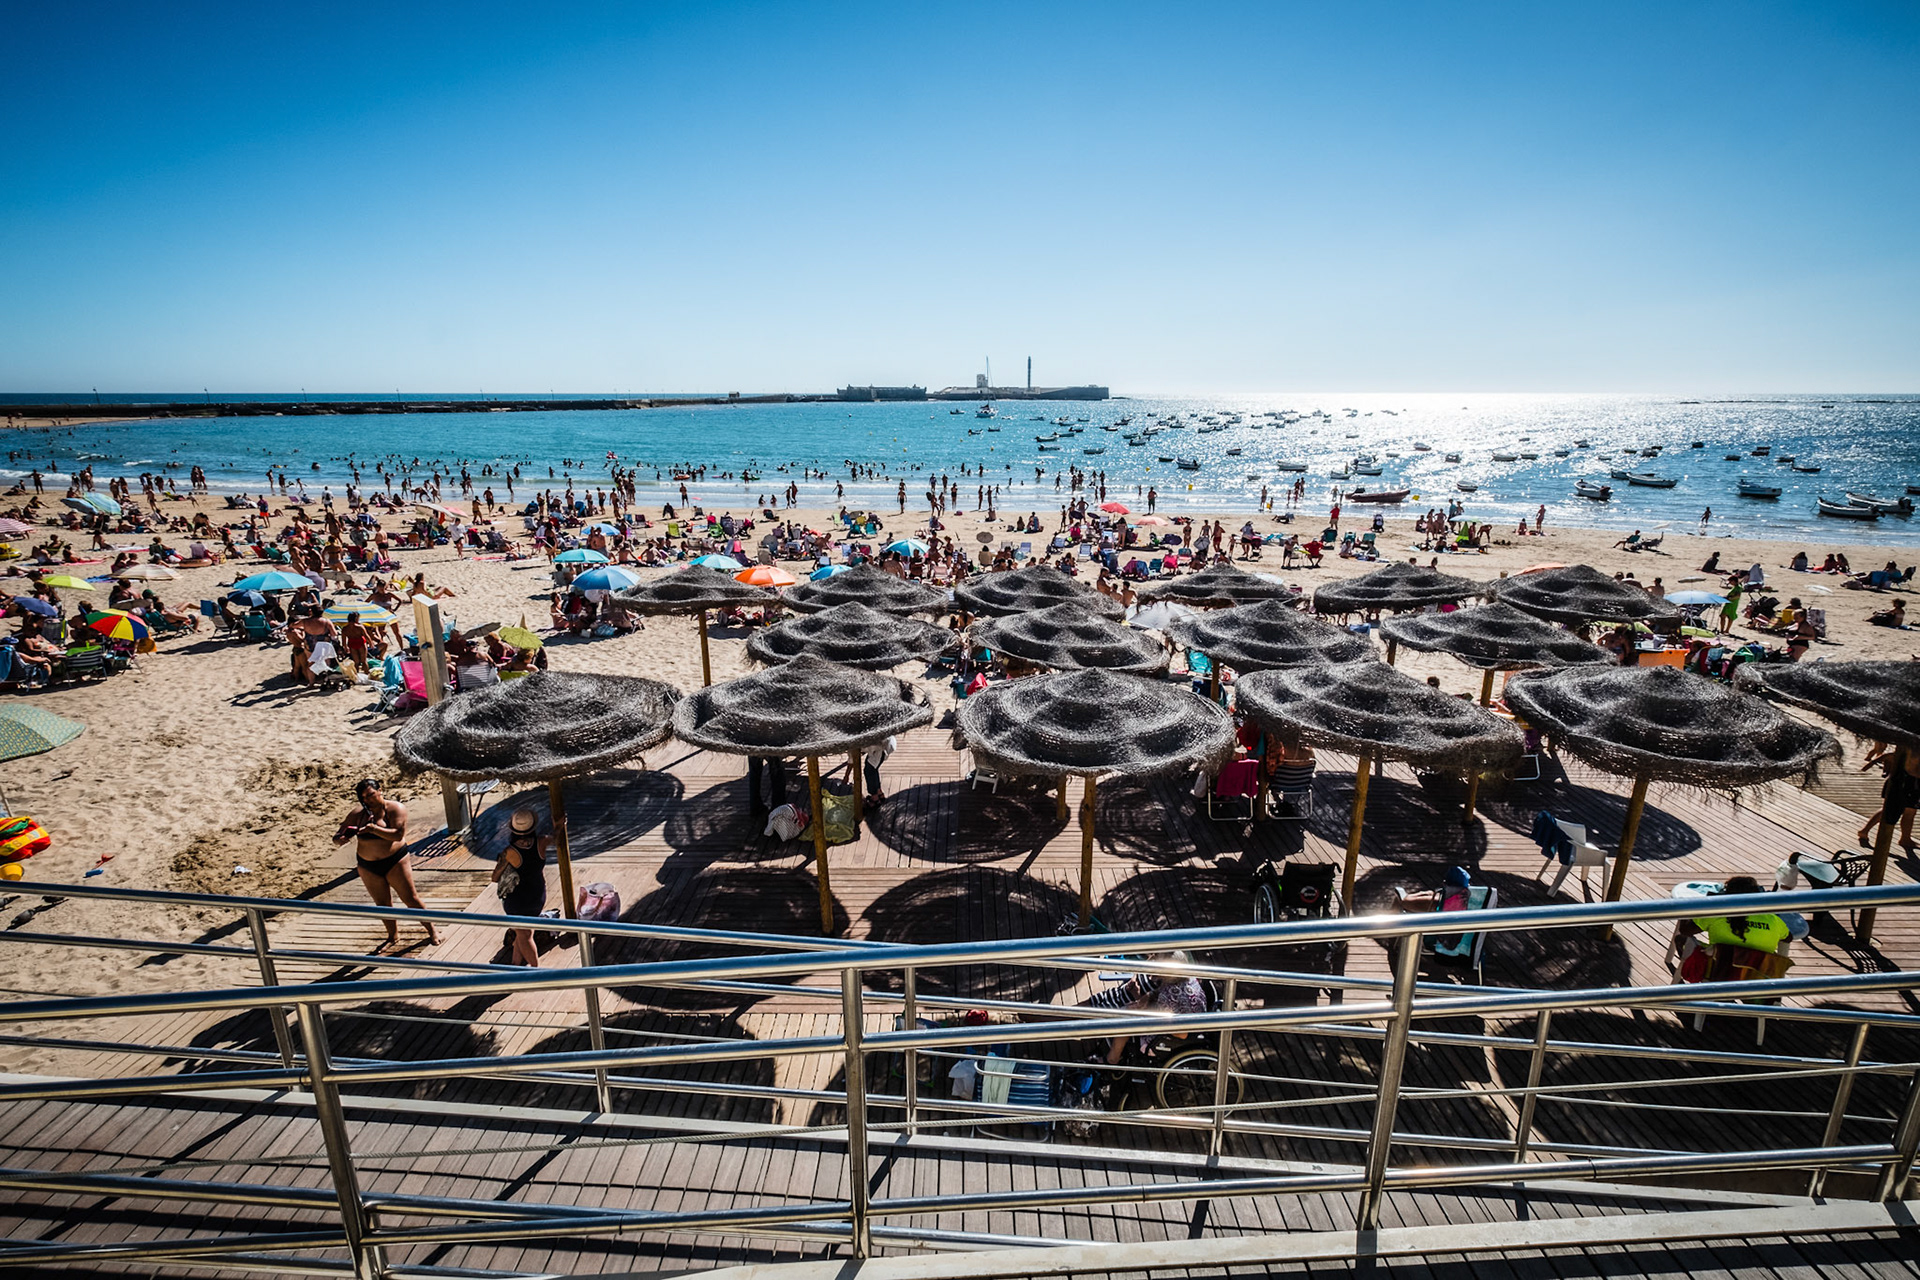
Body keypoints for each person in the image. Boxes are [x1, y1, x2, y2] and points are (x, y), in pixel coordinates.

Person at [331, 778, 440, 952]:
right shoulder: (358, 813)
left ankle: (432, 930)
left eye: (371, 795)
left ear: (380, 790)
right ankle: (392, 935)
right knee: (382, 903)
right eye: (364, 797)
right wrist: (341, 838)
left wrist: (374, 829)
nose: (368, 800)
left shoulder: (395, 808)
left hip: (394, 860)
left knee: (410, 899)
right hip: (367, 865)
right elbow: (338, 834)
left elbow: (398, 834)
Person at [1081, 950, 1208, 1066]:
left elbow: (1182, 1034)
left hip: (1172, 1039)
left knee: (1125, 1020)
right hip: (1197, 1024)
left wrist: (1145, 1016)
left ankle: (1112, 1059)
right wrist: (1145, 1001)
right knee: (1132, 1010)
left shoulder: (1168, 995)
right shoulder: (1188, 978)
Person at [1664, 875, 1791, 970]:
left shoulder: (1716, 913)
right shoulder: (1773, 919)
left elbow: (1686, 930)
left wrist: (1694, 909)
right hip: (1755, 976)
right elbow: (1788, 938)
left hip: (1719, 972)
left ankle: (1691, 977)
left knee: (1681, 939)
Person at [493, 808, 549, 967]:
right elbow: (557, 836)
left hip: (517, 901)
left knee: (525, 936)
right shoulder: (542, 841)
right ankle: (515, 963)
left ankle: (536, 969)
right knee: (523, 932)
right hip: (537, 895)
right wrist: (560, 824)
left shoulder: (509, 852)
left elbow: (494, 877)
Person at [1857, 747, 1920, 852]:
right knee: (1899, 810)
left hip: (1904, 780)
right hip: (1909, 781)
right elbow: (1890, 755)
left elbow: (1889, 755)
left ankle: (1905, 838)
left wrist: (1872, 763)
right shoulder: (1913, 748)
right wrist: (1872, 762)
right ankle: (1865, 830)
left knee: (1907, 810)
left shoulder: (1910, 746)